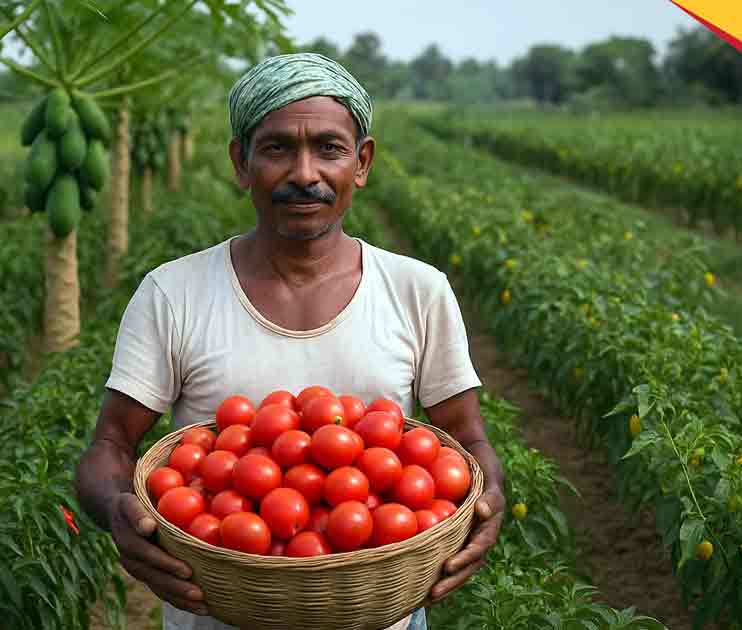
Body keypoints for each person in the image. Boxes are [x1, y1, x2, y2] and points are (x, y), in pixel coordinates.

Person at [75, 52, 506, 630]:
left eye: (329, 148)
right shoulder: (172, 293)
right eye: (277, 148)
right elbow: (110, 444)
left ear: (362, 162)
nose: (305, 173)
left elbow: (468, 438)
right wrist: (115, 510)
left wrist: (489, 498)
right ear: (241, 162)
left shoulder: (418, 291)